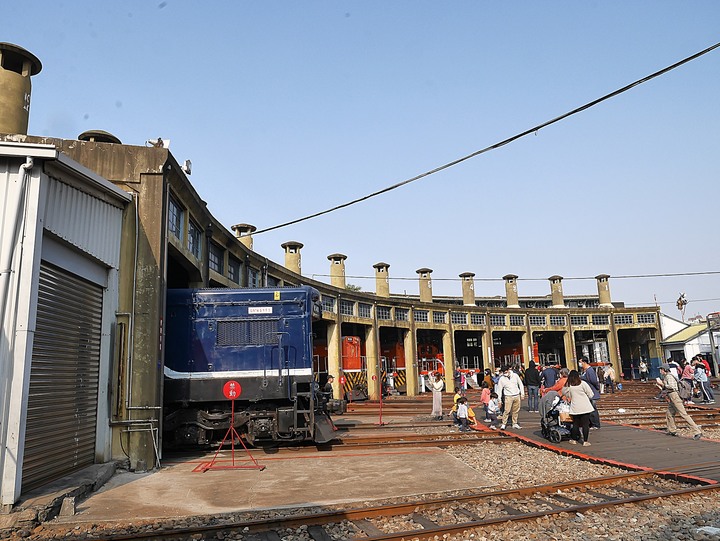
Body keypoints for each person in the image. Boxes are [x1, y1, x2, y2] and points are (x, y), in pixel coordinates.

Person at [656, 364, 703, 439]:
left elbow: (672, 387)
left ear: (664, 370)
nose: (660, 371)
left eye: (661, 369)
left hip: (675, 396)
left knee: (683, 414)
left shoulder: (669, 376)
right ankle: (672, 430)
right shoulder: (667, 376)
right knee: (669, 413)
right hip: (672, 397)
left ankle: (697, 431)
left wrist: (662, 384)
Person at [561, 369, 595, 446]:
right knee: (585, 425)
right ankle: (585, 441)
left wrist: (569, 395)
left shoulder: (569, 385)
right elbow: (591, 394)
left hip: (575, 407)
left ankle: (573, 439)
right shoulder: (583, 383)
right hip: (585, 407)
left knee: (575, 424)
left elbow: (564, 393)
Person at [496, 365, 525, 430]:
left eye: (506, 372)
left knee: (516, 410)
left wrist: (522, 394)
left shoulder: (515, 376)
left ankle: (514, 423)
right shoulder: (502, 379)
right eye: (504, 372)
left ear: (509, 370)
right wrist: (499, 400)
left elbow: (520, 384)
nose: (505, 373)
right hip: (508, 396)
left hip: (517, 395)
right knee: (507, 411)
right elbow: (499, 390)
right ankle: (504, 424)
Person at [578, 357, 601, 429]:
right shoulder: (584, 371)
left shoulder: (590, 371)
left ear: (584, 362)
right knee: (589, 408)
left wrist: (597, 388)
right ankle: (591, 423)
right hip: (587, 392)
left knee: (592, 408)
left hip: (591, 391)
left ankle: (596, 424)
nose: (580, 364)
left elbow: (594, 381)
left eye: (580, 362)